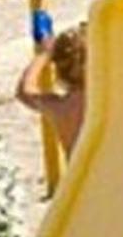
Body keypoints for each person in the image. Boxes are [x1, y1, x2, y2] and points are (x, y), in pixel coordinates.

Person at [16, 20, 90, 156]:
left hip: (81, 170)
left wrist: (44, 54)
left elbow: (24, 91)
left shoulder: (61, 107)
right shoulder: (112, 98)